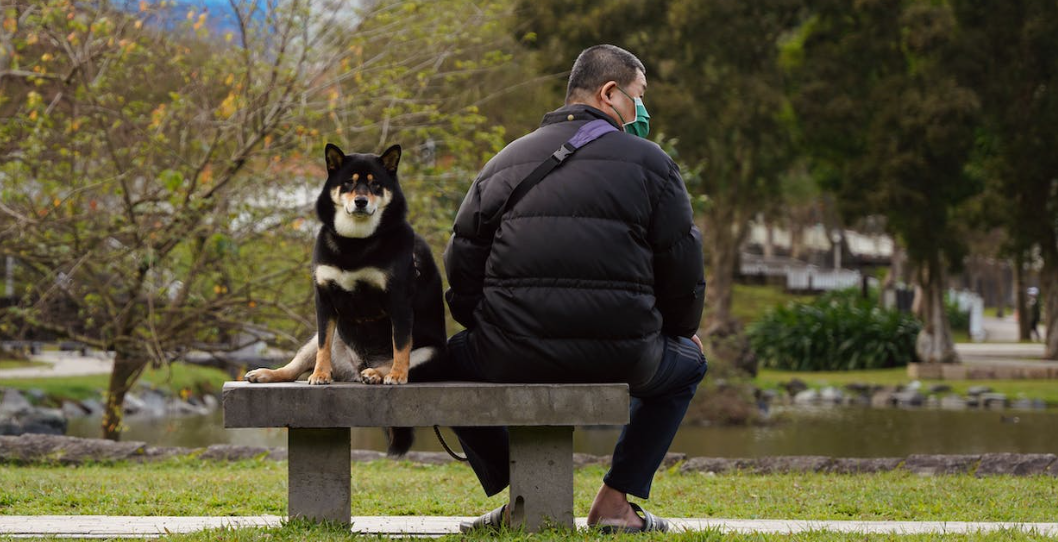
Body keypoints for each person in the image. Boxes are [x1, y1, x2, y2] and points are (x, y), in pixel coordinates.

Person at [441, 44, 707, 533]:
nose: (643, 110)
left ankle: (518, 491)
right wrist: (679, 331)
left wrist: (491, 326)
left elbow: (460, 272)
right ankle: (615, 502)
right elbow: (683, 273)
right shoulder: (654, 165)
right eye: (639, 96)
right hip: (626, 356)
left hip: (508, 352)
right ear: (610, 93)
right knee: (691, 363)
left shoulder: (503, 163)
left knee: (439, 359)